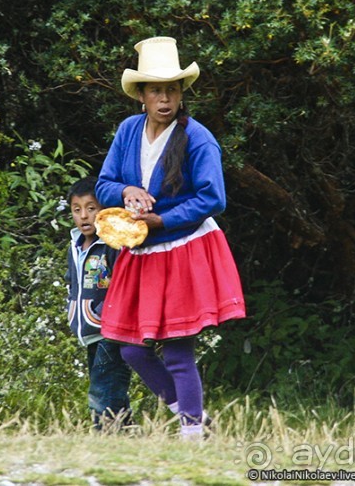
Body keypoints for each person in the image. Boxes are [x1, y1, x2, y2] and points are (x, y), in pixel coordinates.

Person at [95, 36, 246, 439]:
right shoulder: (128, 131)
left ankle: (191, 434)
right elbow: (104, 182)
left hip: (183, 247)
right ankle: (191, 414)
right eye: (156, 90)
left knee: (178, 348)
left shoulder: (197, 138)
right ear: (141, 95)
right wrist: (126, 192)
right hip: (140, 250)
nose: (165, 98)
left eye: (172, 90)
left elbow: (213, 198)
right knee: (130, 347)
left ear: (181, 94)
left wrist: (162, 219)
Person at [64, 176, 132, 430]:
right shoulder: (75, 245)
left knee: (104, 385)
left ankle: (104, 431)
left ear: (104, 211)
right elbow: (72, 281)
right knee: (108, 383)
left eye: (91, 208)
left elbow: (123, 284)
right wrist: (72, 310)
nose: (84, 216)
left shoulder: (112, 245)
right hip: (90, 331)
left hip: (110, 331)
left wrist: (104, 313)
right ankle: (124, 429)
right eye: (77, 209)